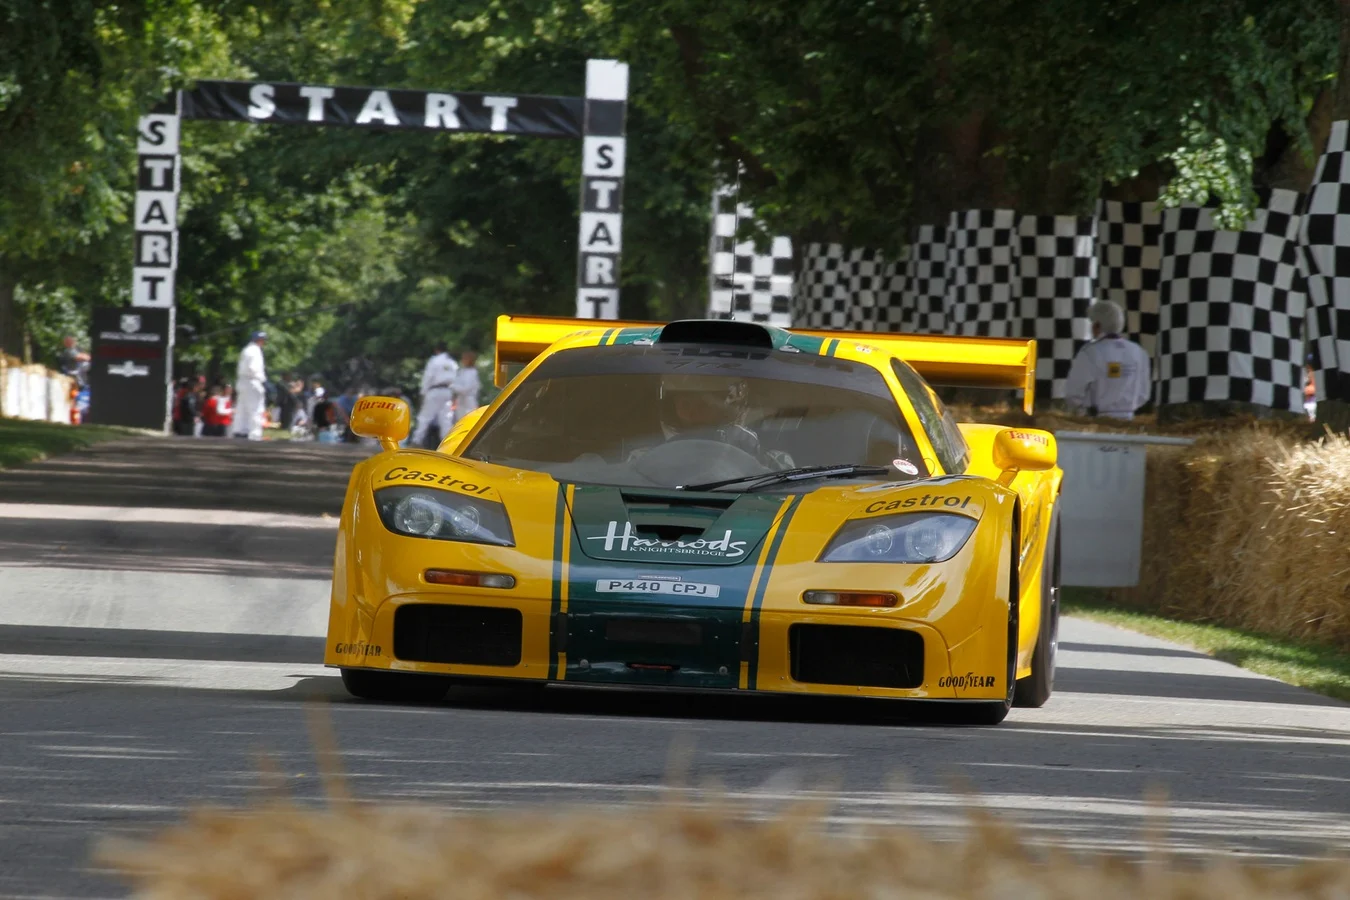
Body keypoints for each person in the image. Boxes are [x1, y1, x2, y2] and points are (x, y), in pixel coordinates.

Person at [625, 373, 793, 468]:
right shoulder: (643, 458)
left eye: (704, 404)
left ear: (722, 407)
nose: (693, 410)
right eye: (685, 403)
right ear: (672, 407)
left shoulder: (772, 461)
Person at [1064, 300, 1152, 420]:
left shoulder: (1090, 352)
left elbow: (1073, 392)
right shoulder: (1138, 351)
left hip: (1097, 420)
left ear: (1097, 325)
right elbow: (1143, 393)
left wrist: (1082, 409)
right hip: (1130, 420)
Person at [412, 342, 458, 448]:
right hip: (447, 391)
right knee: (445, 419)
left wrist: (423, 392)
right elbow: (455, 380)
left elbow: (428, 377)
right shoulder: (452, 363)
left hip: (434, 390)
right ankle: (448, 445)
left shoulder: (435, 361)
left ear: (436, 350)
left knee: (425, 417)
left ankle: (416, 441)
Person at [231, 331, 268, 440]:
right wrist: (263, 380)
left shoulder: (246, 349)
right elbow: (253, 368)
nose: (264, 342)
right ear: (259, 340)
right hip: (252, 381)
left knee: (242, 407)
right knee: (255, 408)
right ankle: (255, 434)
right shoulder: (255, 350)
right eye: (263, 340)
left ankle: (240, 430)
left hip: (242, 381)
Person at [449, 348, 482, 426]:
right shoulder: (461, 372)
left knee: (470, 422)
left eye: (465, 359)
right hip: (460, 401)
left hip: (469, 401)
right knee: (459, 423)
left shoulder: (473, 372)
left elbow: (466, 389)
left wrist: (452, 386)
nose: (463, 360)